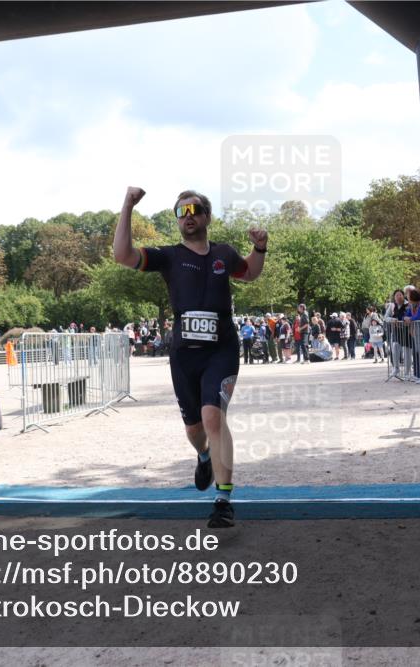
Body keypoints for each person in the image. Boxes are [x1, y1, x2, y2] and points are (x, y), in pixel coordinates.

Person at [114, 186, 267, 528]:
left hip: (222, 350)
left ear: (207, 216)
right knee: (195, 428)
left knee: (214, 417)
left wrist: (260, 247)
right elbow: (123, 255)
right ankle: (203, 455)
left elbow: (251, 273)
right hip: (184, 356)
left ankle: (223, 500)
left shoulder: (224, 254)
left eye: (194, 210)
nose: (188, 217)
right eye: (181, 213)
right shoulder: (168, 257)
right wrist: (127, 205)